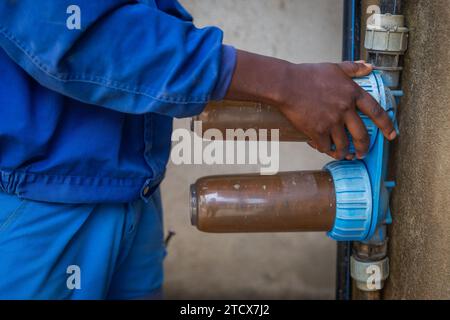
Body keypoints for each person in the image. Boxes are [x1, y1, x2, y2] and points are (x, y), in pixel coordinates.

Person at [0, 0, 396, 299]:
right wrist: (287, 83)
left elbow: (151, 16)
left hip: (134, 192)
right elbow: (81, 33)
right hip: (40, 207)